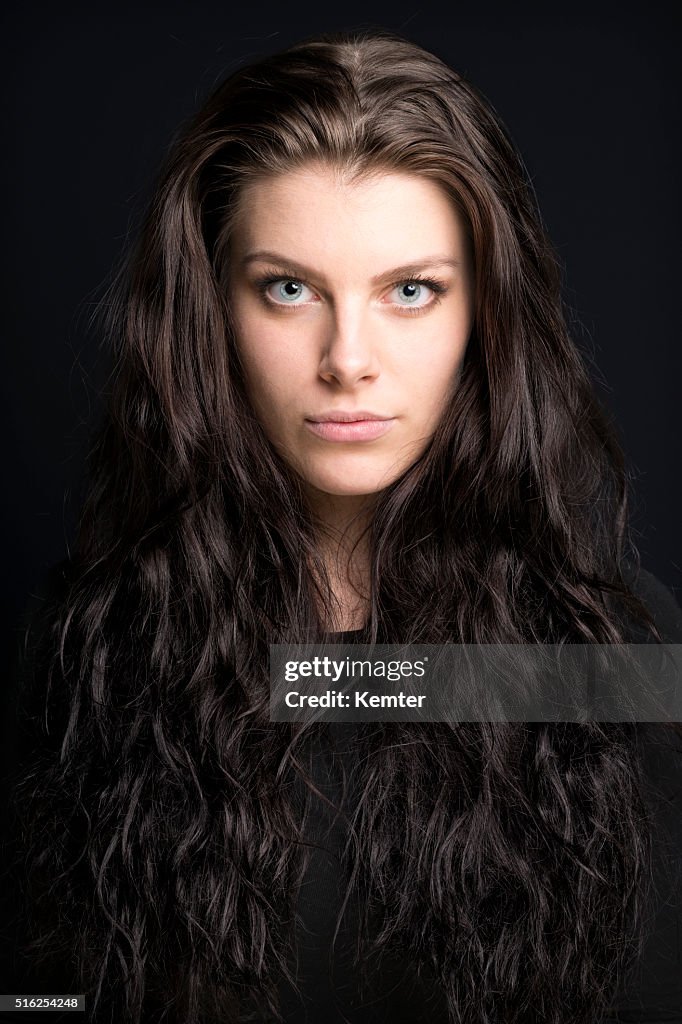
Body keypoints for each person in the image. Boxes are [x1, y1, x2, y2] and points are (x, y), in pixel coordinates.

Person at [2, 26, 681, 1024]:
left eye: (410, 291)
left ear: (482, 316)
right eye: (287, 289)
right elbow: (37, 998)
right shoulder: (88, 644)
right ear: (210, 312)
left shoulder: (614, 649)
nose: (346, 358)